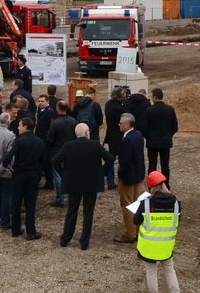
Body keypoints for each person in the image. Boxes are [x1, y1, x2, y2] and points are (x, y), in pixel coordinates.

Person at [53, 123, 113, 250]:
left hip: (73, 183)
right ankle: (84, 241)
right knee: (88, 212)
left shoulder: (68, 146)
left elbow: (55, 161)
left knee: (72, 211)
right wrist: (102, 173)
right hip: (91, 183)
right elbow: (110, 159)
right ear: (86, 133)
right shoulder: (95, 145)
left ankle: (66, 238)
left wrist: (64, 174)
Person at [134, 171, 183, 293]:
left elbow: (136, 220)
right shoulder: (176, 203)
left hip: (148, 246)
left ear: (151, 187)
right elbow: (177, 221)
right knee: (169, 269)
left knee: (151, 271)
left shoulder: (146, 203)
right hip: (166, 245)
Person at [3, 117, 46, 240]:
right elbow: (43, 160)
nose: (18, 127)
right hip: (33, 175)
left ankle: (15, 230)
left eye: (20, 125)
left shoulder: (18, 141)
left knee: (16, 203)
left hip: (19, 175)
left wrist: (6, 166)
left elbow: (7, 156)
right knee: (30, 204)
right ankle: (31, 231)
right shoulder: (39, 141)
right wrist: (38, 173)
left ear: (26, 126)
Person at [115, 112, 146, 243]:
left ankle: (130, 233)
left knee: (127, 205)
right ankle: (138, 229)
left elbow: (125, 162)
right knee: (136, 203)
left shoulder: (127, 139)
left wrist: (120, 173)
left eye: (121, 123)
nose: (119, 125)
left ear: (127, 125)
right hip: (138, 175)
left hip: (128, 177)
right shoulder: (138, 135)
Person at [46, 100, 77, 207]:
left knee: (58, 177)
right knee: (70, 175)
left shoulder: (54, 123)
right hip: (71, 152)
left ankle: (60, 198)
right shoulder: (73, 121)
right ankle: (71, 196)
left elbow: (50, 140)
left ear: (57, 109)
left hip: (57, 152)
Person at [144, 88, 178, 184]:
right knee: (165, 166)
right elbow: (175, 127)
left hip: (152, 142)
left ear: (155, 97)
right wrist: (168, 135)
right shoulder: (170, 109)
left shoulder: (149, 110)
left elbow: (144, 128)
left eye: (151, 96)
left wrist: (149, 137)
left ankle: (152, 185)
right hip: (165, 142)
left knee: (152, 166)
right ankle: (166, 185)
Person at [103, 87, 127, 191]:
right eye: (123, 97)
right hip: (119, 136)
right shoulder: (119, 108)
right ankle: (121, 181)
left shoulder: (108, 104)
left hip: (111, 135)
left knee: (111, 159)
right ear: (117, 97)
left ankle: (110, 181)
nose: (124, 98)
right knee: (122, 160)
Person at [35, 95, 56, 189]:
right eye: (39, 101)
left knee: (47, 161)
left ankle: (50, 181)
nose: (40, 103)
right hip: (40, 139)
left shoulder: (50, 112)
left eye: (42, 101)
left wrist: (48, 139)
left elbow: (52, 127)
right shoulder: (40, 110)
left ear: (47, 101)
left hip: (45, 141)